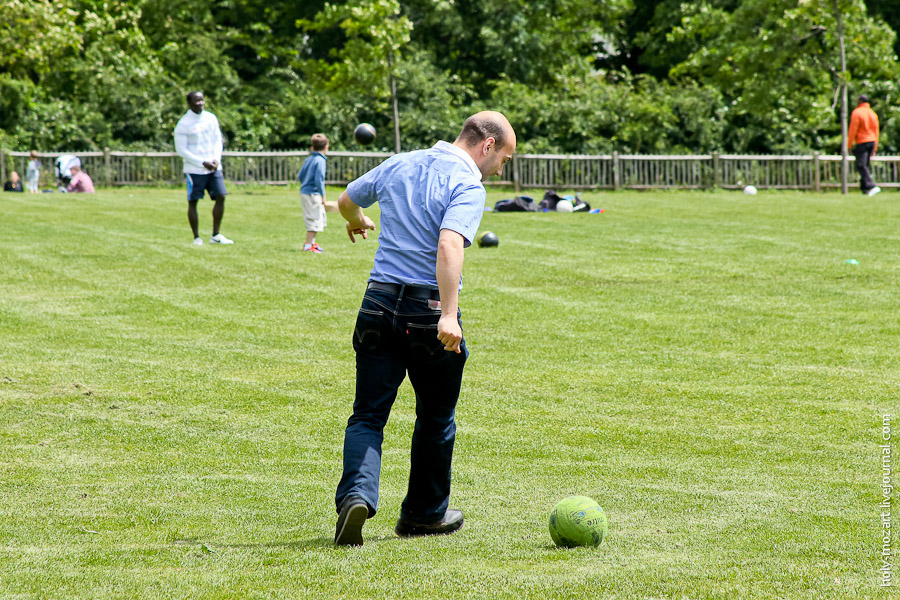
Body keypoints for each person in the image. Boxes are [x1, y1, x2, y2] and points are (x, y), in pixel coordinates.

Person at [333, 111, 516, 546]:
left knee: (368, 415)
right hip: (426, 311)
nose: (500, 169)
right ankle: (424, 514)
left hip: (377, 303)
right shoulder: (468, 183)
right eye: (504, 159)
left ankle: (356, 497)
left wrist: (357, 219)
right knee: (436, 418)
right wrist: (448, 314)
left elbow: (346, 199)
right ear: (486, 145)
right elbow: (450, 243)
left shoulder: (400, 162)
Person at [174, 91, 232, 245]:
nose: (200, 103)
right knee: (193, 201)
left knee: (221, 196)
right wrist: (202, 162)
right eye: (196, 101)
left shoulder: (211, 118)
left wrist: (215, 160)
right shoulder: (183, 124)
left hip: (214, 167)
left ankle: (216, 235)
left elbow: (217, 141)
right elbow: (181, 150)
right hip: (194, 170)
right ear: (189, 103)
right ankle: (196, 237)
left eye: (201, 100)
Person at [297, 133, 329, 253]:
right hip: (313, 194)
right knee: (314, 219)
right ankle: (308, 245)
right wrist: (323, 196)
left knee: (316, 218)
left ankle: (312, 243)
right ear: (326, 147)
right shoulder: (320, 160)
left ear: (312, 147)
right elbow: (319, 180)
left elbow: (300, 175)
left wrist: (305, 183)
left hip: (305, 192)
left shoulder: (309, 159)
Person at [848, 94, 880, 197]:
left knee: (860, 165)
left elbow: (853, 129)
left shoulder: (857, 112)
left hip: (862, 141)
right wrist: (875, 147)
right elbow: (876, 131)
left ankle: (871, 185)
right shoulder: (872, 113)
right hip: (872, 141)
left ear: (860, 101)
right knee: (865, 165)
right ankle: (865, 189)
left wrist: (849, 145)